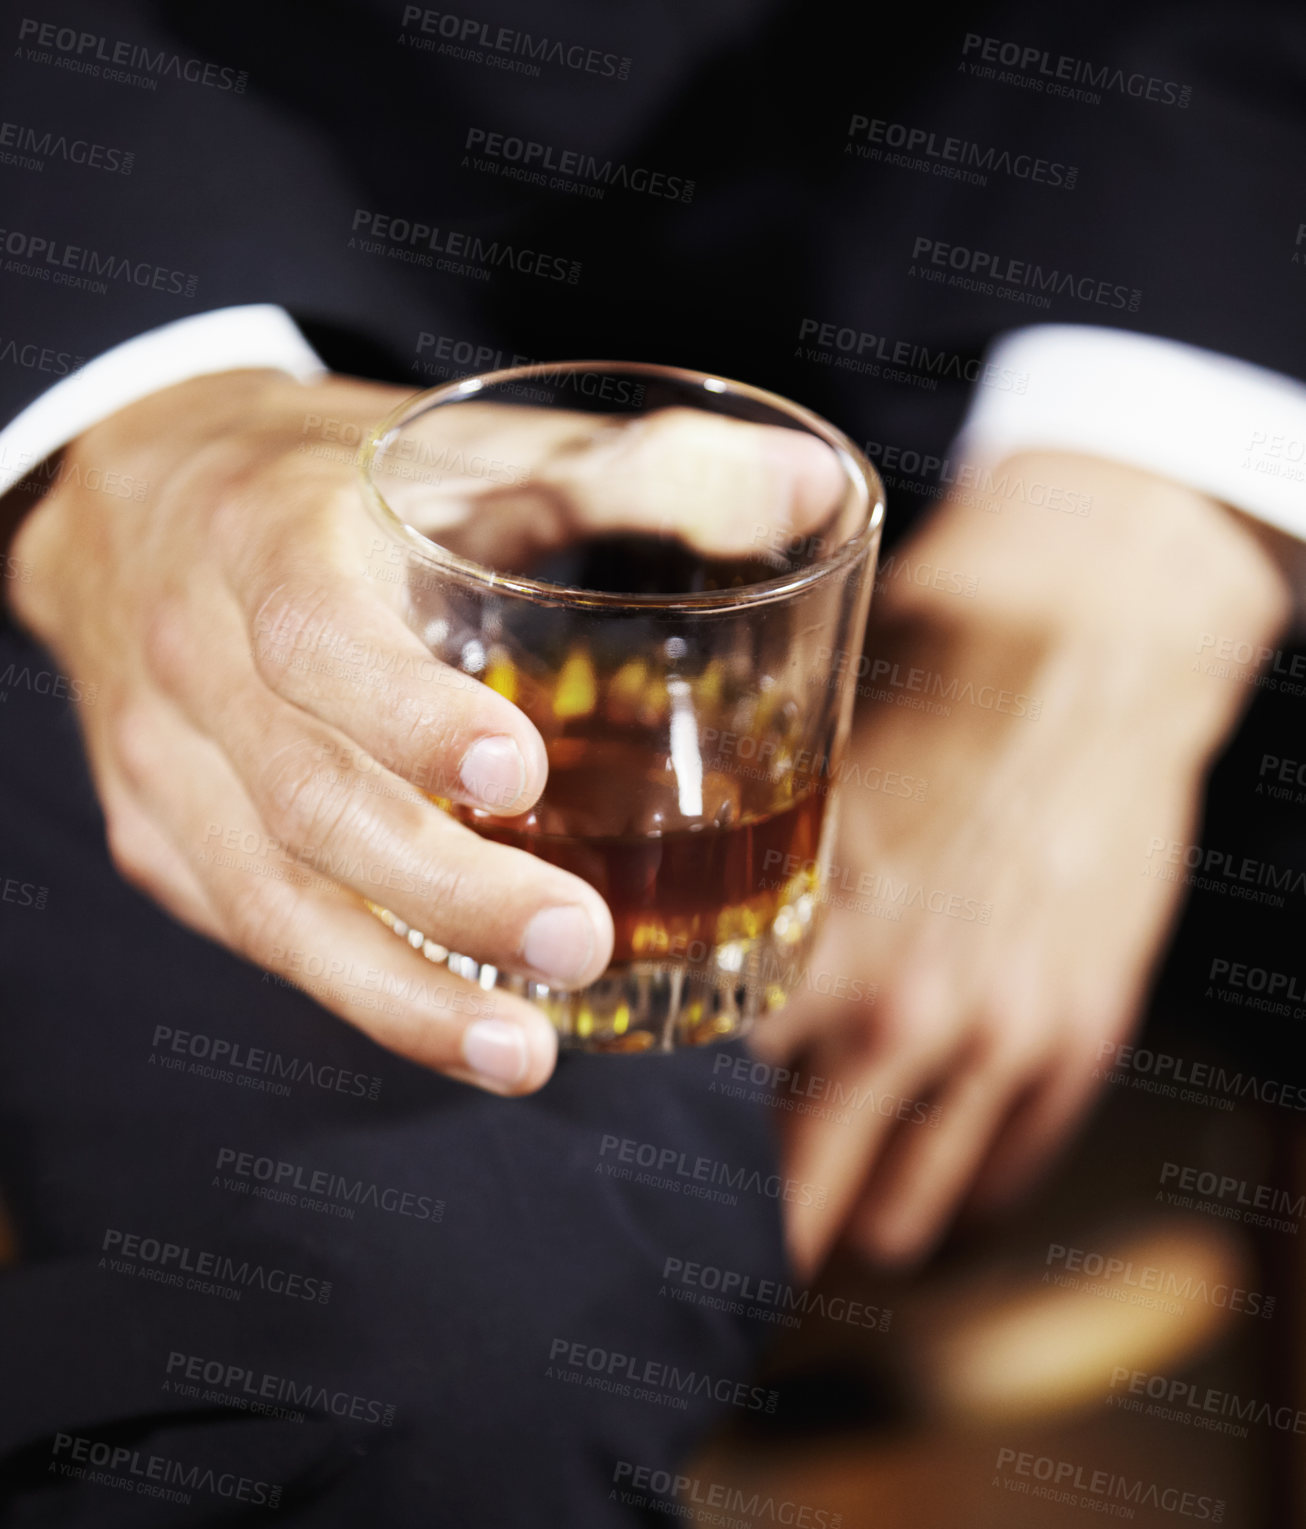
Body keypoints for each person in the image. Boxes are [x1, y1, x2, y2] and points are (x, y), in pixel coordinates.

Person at [1, 2, 1303, 1522]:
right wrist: (134, 425)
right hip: (210, 307)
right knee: (439, 1343)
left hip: (1115, 254)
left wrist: (1149, 526)